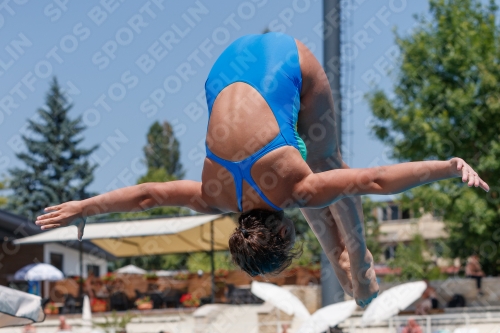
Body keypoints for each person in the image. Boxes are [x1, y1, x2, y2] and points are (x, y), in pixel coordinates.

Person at [34, 32, 490, 308]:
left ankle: (354, 260)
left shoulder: (300, 191)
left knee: (327, 163)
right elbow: (148, 195)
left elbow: (374, 181)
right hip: (226, 66)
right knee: (318, 173)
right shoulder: (213, 195)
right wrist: (85, 206)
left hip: (288, 59)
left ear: (287, 233)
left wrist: (449, 167)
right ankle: (346, 260)